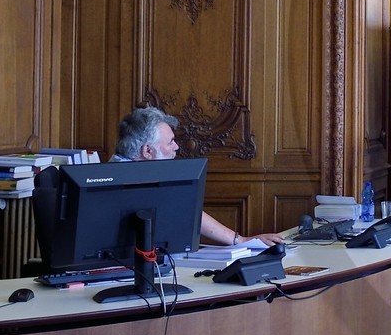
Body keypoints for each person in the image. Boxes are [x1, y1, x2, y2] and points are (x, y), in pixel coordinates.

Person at [112, 106, 284, 248]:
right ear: (147, 151)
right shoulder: (127, 179)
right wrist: (242, 241)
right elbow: (186, 210)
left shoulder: (132, 170)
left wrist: (241, 240)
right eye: (170, 142)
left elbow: (187, 210)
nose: (177, 147)